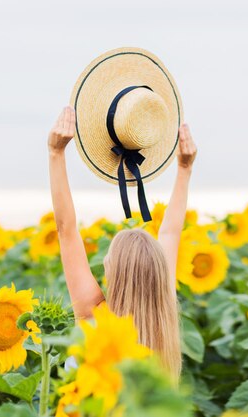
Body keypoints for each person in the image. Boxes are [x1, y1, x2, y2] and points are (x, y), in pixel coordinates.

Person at [47, 106, 197, 378]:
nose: (105, 261)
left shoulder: (96, 318)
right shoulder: (163, 319)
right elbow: (171, 233)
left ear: (116, 273)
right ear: (158, 275)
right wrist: (184, 169)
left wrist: (56, 154)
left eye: (109, 259)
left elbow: (66, 229)